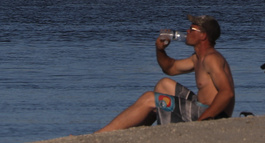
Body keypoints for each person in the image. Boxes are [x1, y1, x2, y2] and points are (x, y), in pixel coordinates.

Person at [97, 14, 235, 131]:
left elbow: (227, 92)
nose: (187, 31)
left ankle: (102, 133)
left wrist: (202, 121)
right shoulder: (197, 58)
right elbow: (170, 68)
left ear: (203, 36)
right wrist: (160, 50)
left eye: (192, 29)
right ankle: (136, 130)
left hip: (212, 115)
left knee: (150, 98)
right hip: (200, 107)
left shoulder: (212, 59)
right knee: (163, 85)